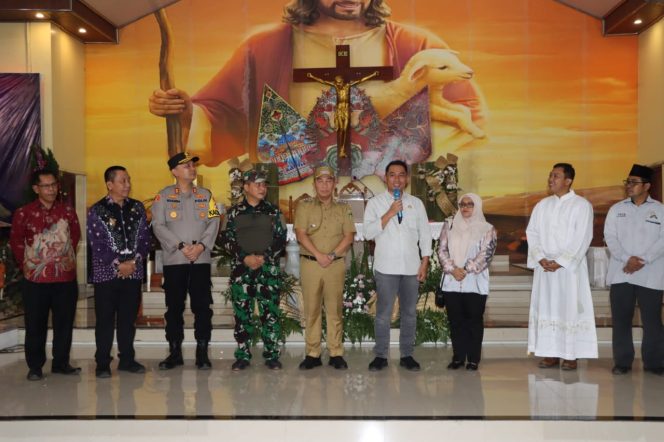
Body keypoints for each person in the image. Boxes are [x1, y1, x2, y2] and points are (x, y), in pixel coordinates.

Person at [148, 0, 485, 165]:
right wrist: (185, 112)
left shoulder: (419, 46)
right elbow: (222, 116)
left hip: (390, 201)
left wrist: (394, 161)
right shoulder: (265, 47)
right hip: (292, 198)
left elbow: (469, 119)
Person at [9, 169, 81, 381]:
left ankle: (61, 363)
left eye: (54, 185)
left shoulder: (67, 211)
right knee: (35, 324)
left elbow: (74, 237)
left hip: (65, 279)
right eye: (46, 186)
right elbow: (16, 242)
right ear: (36, 189)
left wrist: (60, 259)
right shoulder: (24, 213)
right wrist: (32, 264)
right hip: (35, 280)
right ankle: (35, 366)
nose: (51, 189)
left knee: (64, 323)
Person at [151, 152, 220, 370]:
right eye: (186, 166)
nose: (191, 168)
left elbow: (214, 221)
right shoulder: (163, 196)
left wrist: (200, 246)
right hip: (175, 261)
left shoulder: (206, 196)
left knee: (202, 307)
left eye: (192, 165)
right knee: (174, 308)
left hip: (200, 260)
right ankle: (174, 353)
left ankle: (202, 352)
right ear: (174, 171)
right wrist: (181, 246)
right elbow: (158, 225)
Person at [526, 163, 597, 370]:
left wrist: (561, 261)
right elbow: (532, 233)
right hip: (546, 269)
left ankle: (570, 355)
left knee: (569, 309)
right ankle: (550, 353)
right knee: (547, 308)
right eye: (550, 175)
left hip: (569, 270)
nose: (551, 179)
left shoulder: (581, 205)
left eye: (556, 176)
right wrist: (540, 257)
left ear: (568, 181)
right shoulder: (542, 205)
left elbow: (583, 236)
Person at [363, 160, 431, 371]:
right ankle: (381, 355)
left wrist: (425, 261)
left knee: (409, 314)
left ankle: (407, 355)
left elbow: (425, 235)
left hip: (411, 268)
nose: (397, 179)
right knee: (383, 314)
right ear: (386, 178)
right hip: (386, 268)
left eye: (401, 175)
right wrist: (390, 212)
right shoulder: (375, 204)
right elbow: (367, 233)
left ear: (407, 179)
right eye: (392, 175)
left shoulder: (416, 204)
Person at [87, 166, 150, 378]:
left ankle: (127, 360)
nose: (127, 185)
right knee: (104, 320)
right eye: (123, 181)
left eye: (128, 180)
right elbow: (97, 244)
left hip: (133, 273)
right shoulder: (97, 210)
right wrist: (118, 264)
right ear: (109, 184)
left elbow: (144, 239)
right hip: (106, 275)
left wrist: (133, 262)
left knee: (127, 319)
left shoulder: (137, 208)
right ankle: (102, 363)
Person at [222, 169, 287, 371]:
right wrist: (245, 257)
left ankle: (271, 355)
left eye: (264, 184)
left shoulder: (274, 212)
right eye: (257, 184)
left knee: (271, 314)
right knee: (243, 315)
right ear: (246, 187)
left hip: (268, 271)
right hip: (242, 271)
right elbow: (225, 239)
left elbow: (281, 239)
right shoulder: (232, 212)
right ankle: (242, 355)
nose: (262, 188)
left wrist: (263, 257)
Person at [604, 164, 664, 376]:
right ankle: (622, 362)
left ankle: (655, 362)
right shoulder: (616, 209)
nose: (629, 186)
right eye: (627, 182)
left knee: (652, 321)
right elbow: (610, 237)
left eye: (634, 182)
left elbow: (662, 240)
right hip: (622, 272)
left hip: (651, 274)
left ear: (647, 186)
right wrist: (626, 259)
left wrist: (642, 260)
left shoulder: (659, 210)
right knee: (621, 320)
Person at [294, 166, 356, 370]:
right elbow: (301, 234)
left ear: (334, 183)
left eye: (328, 180)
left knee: (334, 309)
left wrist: (330, 255)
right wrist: (319, 255)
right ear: (314, 184)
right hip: (311, 264)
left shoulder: (343, 208)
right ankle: (312, 353)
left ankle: (336, 352)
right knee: (311, 310)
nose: (324, 185)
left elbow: (349, 236)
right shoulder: (304, 207)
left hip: (334, 265)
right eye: (320, 181)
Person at [438, 193, 497, 371]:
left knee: (473, 321)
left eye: (470, 204)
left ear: (477, 206)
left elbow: (487, 253)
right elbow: (441, 249)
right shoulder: (449, 225)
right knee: (455, 321)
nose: (465, 207)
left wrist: (465, 269)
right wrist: (452, 268)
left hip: (475, 282)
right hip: (452, 281)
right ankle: (458, 357)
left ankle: (473, 359)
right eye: (462, 204)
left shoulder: (488, 228)